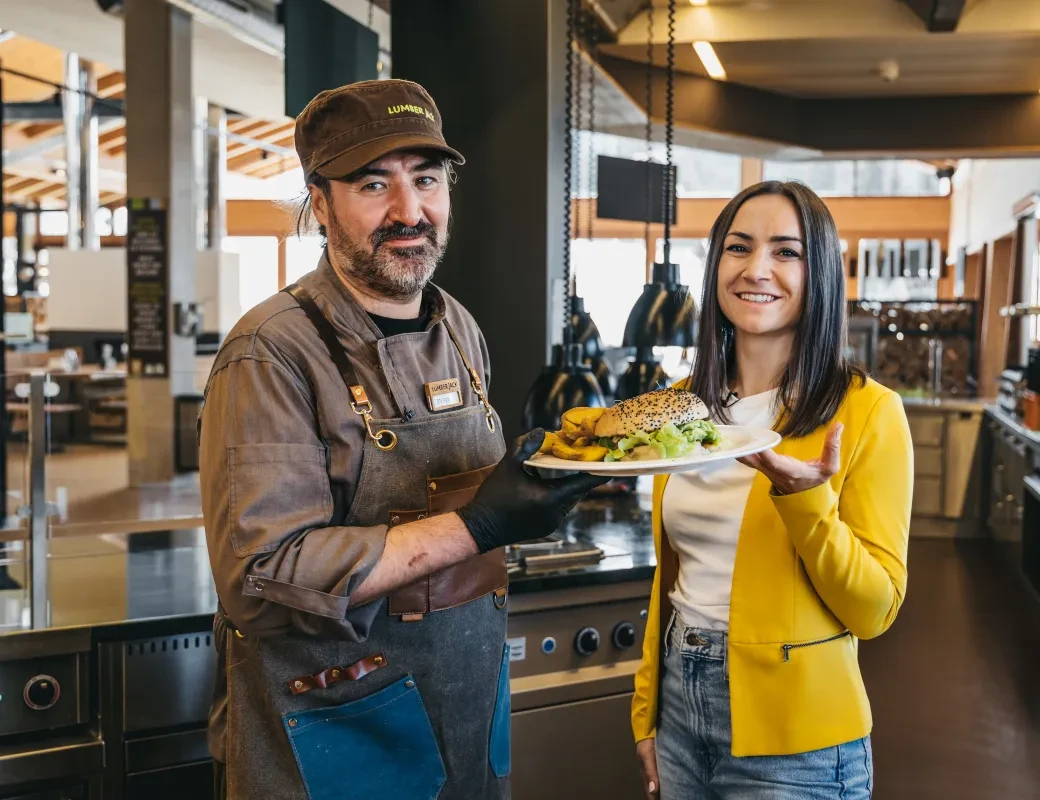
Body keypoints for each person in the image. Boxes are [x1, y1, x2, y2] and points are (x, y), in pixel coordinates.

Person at [199, 79, 604, 800]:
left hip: (469, 706)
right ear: (320, 204)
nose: (409, 211)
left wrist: (538, 487)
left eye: (427, 179)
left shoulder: (457, 327)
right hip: (340, 729)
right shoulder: (271, 351)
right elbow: (259, 578)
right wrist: (481, 523)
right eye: (372, 184)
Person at [631, 181, 913, 799]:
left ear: (820, 274)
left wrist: (804, 501)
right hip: (681, 708)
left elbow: (874, 611)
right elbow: (672, 579)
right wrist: (648, 709)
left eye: (787, 252)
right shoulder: (681, 409)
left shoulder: (867, 411)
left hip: (799, 739)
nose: (756, 268)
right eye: (739, 247)